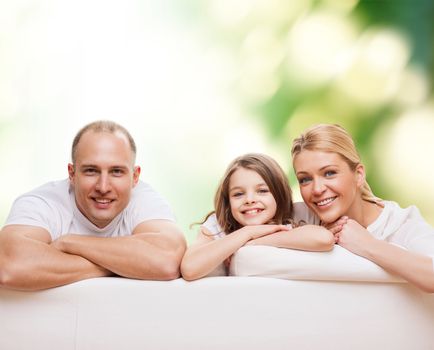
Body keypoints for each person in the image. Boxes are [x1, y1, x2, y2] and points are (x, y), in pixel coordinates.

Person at [0, 120, 186, 291]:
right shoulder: (42, 203)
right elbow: (9, 267)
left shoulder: (145, 200)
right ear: (72, 174)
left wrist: (69, 243)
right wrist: (127, 265)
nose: (103, 187)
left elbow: (168, 261)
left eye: (116, 172)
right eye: (91, 171)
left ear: (135, 177)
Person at [291, 123, 434, 292]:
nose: (317, 189)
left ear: (358, 175)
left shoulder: (400, 223)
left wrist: (367, 244)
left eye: (329, 173)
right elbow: (251, 236)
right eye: (305, 179)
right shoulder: (300, 218)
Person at [181, 153, 334, 281]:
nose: (249, 200)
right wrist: (246, 233)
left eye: (262, 191)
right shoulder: (219, 224)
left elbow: (324, 238)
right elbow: (189, 268)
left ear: (279, 193)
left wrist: (256, 242)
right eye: (238, 194)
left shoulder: (296, 213)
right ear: (228, 201)